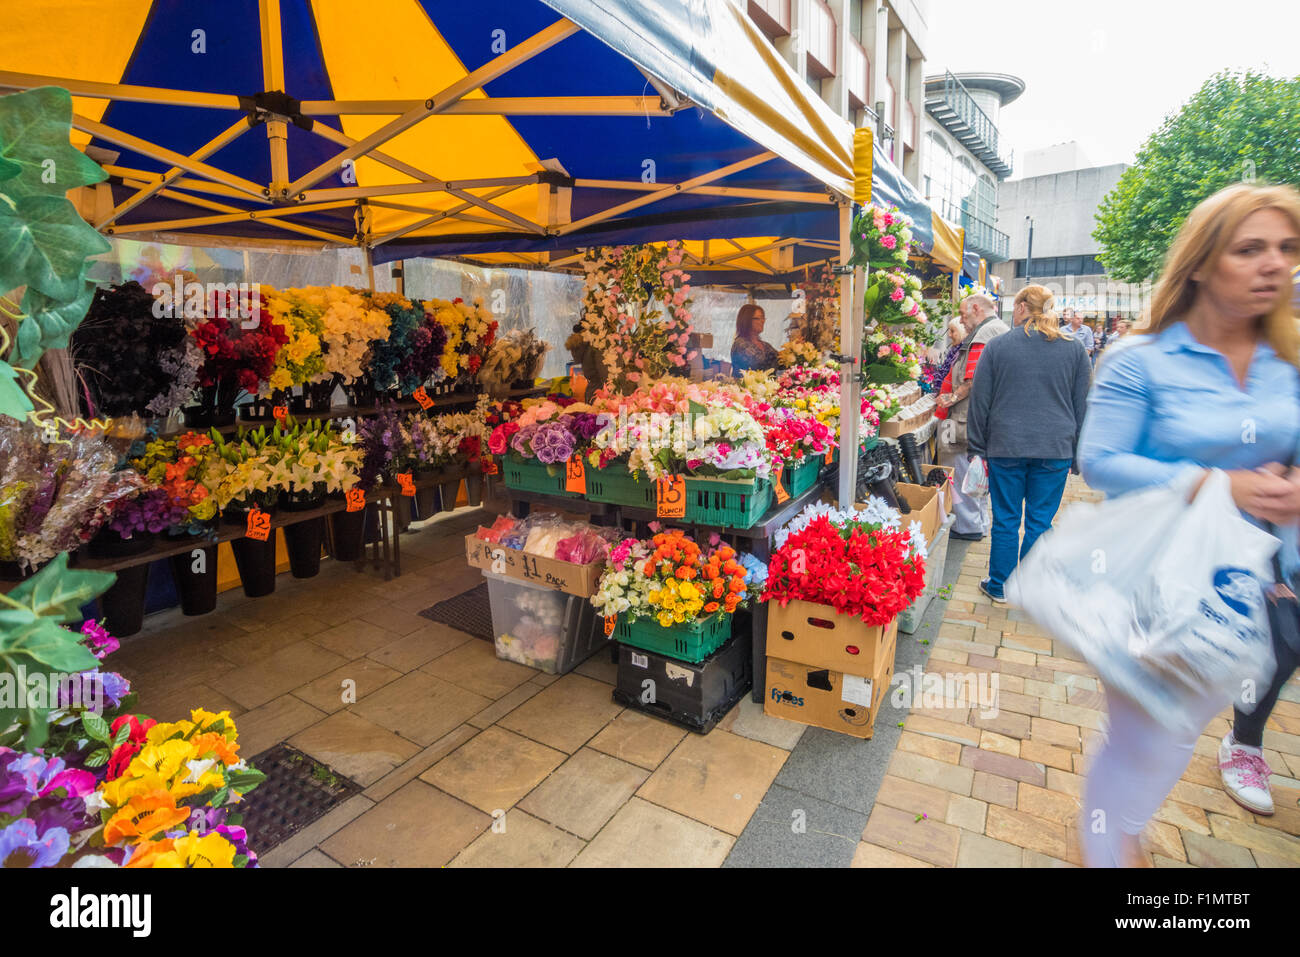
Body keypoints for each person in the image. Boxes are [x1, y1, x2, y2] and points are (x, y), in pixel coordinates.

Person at [1075, 183, 1300, 866]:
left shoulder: (1285, 366)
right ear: (1201, 262)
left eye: (1287, 248)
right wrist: (1214, 483)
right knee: (1144, 747)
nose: (1275, 264)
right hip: (1153, 582)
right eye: (1250, 248)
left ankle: (1115, 838)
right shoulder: (1141, 360)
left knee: (1164, 744)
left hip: (1250, 588)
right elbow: (1099, 463)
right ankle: (1110, 847)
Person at [967, 285, 1092, 604]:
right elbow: (1083, 405)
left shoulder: (998, 347)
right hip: (1055, 448)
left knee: (1006, 519)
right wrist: (1077, 453)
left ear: (1022, 307)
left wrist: (977, 448)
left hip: (1005, 445)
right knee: (1040, 521)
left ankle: (1000, 585)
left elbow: (980, 401)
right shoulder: (1075, 349)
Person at [935, 294, 1009, 541]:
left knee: (961, 470)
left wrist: (950, 398)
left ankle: (967, 526)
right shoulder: (996, 330)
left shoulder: (984, 335)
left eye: (964, 315)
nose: (962, 321)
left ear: (976, 309)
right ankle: (977, 523)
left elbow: (972, 378)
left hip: (965, 419)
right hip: (978, 417)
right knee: (975, 471)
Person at [730, 303, 778, 373]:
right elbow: (759, 363)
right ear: (746, 320)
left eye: (763, 318)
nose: (762, 321)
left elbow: (781, 361)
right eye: (758, 318)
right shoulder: (741, 344)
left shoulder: (766, 345)